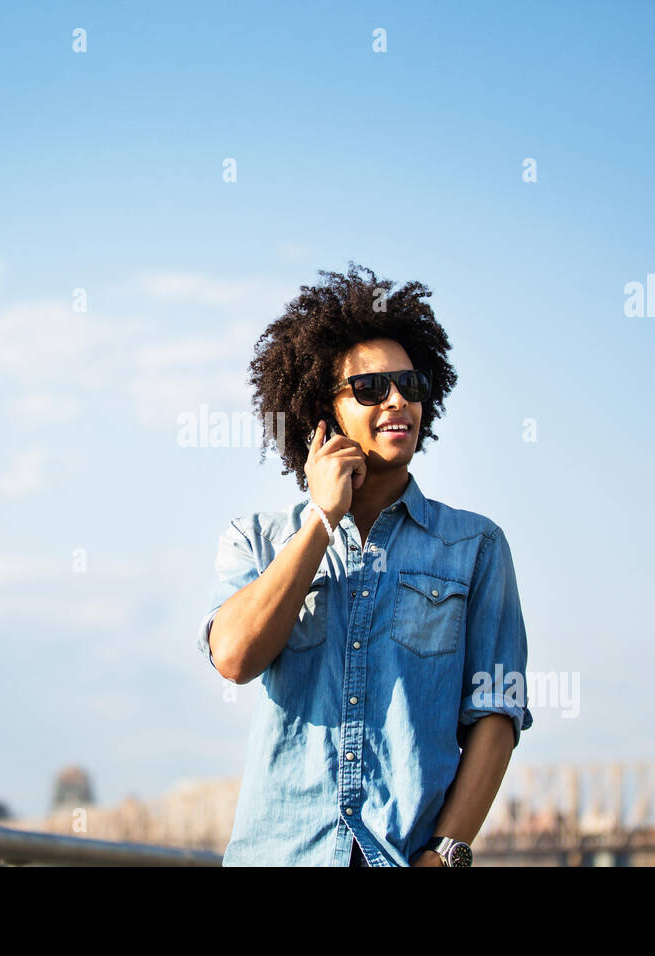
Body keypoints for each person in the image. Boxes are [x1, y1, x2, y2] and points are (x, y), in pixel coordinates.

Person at [198, 262, 533, 866]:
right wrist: (321, 522)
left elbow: (496, 712)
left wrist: (445, 853)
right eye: (372, 388)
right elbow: (234, 658)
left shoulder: (476, 546)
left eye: (410, 383)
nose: (398, 399)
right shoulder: (257, 539)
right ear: (322, 413)